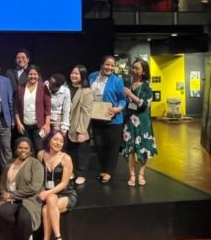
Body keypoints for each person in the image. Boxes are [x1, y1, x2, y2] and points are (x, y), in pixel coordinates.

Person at [0, 137, 44, 240]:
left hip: (30, 199)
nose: (23, 150)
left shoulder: (36, 164)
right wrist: (4, 193)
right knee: (2, 212)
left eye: (26, 148)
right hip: (13, 199)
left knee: (24, 217)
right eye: (20, 148)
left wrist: (12, 194)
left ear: (30, 150)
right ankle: (27, 234)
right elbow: (2, 182)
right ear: (16, 149)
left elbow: (34, 188)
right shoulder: (9, 164)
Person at [36, 131, 76, 240]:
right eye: (55, 139)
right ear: (49, 139)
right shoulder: (41, 155)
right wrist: (45, 193)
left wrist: (48, 192)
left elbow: (64, 183)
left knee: (46, 208)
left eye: (61, 141)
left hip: (66, 194)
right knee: (50, 201)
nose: (58, 143)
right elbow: (38, 177)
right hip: (49, 196)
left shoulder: (66, 158)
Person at [88, 56, 127, 184]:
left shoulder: (117, 81)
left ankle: (108, 172)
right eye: (107, 64)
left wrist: (118, 109)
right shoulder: (92, 77)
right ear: (101, 65)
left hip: (113, 120)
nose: (109, 68)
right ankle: (103, 168)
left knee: (112, 147)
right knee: (99, 146)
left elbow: (123, 99)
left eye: (112, 66)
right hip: (96, 118)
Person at [122, 59, 157, 186]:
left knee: (143, 148)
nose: (134, 70)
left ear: (144, 71)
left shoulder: (147, 87)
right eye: (133, 67)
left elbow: (144, 105)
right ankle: (132, 175)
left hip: (142, 121)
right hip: (129, 120)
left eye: (137, 68)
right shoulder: (127, 83)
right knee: (130, 148)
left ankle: (141, 174)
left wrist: (131, 94)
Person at [66, 65, 94, 185]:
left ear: (82, 76)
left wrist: (81, 131)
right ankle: (71, 171)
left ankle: (81, 173)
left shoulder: (86, 91)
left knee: (81, 152)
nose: (74, 75)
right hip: (67, 126)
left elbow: (86, 113)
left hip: (80, 125)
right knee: (70, 151)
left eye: (77, 74)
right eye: (72, 73)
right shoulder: (66, 88)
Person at [14, 65, 51, 154]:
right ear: (27, 75)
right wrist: (18, 123)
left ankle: (40, 168)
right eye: (30, 74)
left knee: (40, 149)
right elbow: (16, 108)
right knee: (27, 150)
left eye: (35, 74)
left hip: (39, 126)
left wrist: (47, 124)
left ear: (38, 75)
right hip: (24, 126)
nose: (33, 76)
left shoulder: (43, 87)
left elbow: (48, 107)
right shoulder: (20, 88)